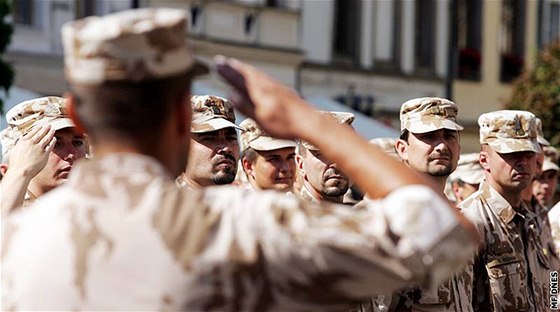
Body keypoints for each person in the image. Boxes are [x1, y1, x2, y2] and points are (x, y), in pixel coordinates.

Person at [1, 8, 480, 311]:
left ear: (75, 115)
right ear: (180, 117)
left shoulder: (15, 239)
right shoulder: (231, 227)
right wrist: (311, 124)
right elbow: (441, 231)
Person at [459, 110, 560, 311]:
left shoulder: (533, 219)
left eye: (529, 153)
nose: (522, 162)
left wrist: (555, 305)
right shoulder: (470, 221)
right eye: (511, 154)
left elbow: (552, 277)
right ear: (484, 160)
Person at [391, 97, 470, 312]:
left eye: (449, 136)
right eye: (429, 136)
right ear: (402, 148)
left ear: (459, 148)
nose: (442, 146)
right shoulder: (391, 219)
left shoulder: (460, 219)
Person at [0, 96, 87, 212]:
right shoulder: (15, 212)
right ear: (24, 153)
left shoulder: (92, 208)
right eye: (55, 143)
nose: (71, 154)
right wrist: (21, 172)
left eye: (77, 143)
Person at [176, 94, 242, 189]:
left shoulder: (239, 202)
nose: (226, 148)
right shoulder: (164, 201)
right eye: (209, 138)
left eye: (231, 138)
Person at [296, 111, 355, 204]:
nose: (336, 164)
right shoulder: (284, 213)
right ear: (301, 164)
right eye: (323, 155)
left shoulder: (361, 215)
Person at [239, 118, 297, 192]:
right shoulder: (235, 203)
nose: (286, 168)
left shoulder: (301, 202)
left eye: (290, 157)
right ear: (249, 166)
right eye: (273, 159)